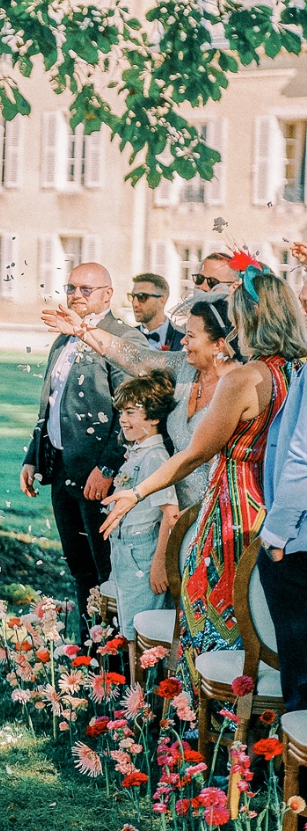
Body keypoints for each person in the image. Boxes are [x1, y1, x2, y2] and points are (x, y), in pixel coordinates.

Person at [102, 261, 307, 663]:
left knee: (209, 627)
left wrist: (137, 491)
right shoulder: (295, 370)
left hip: (230, 514)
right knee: (262, 634)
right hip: (272, 511)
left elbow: (195, 453)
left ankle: (199, 719)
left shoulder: (242, 380)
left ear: (246, 320)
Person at [42, 294, 233, 512]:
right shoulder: (184, 367)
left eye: (190, 335)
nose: (183, 341)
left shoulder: (238, 384)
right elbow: (136, 358)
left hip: (221, 508)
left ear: (218, 344)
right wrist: (83, 331)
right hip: (175, 506)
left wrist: (138, 492)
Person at [22, 262, 130, 628]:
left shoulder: (123, 338)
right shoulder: (63, 338)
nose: (76, 296)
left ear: (107, 295)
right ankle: (89, 653)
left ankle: (113, 663)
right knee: (79, 569)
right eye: (71, 288)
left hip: (99, 475)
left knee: (106, 571)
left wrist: (108, 467)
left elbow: (135, 410)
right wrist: (33, 457)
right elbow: (51, 402)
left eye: (86, 289)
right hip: (61, 468)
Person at [107, 372, 180, 677]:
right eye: (121, 413)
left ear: (153, 419)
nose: (122, 420)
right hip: (125, 553)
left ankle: (143, 704)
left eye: (130, 413)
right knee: (128, 631)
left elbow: (170, 512)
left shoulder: (155, 459)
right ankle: (132, 701)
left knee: (141, 635)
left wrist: (160, 563)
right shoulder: (137, 453)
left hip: (144, 555)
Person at [257, 343, 307, 715]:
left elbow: (302, 457)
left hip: (298, 539)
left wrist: (277, 533)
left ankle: (296, 769)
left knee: (302, 682)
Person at [128, 272, 182, 352]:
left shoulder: (182, 338)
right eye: (132, 297)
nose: (135, 304)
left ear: (162, 300)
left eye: (142, 297)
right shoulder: (127, 336)